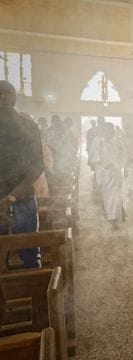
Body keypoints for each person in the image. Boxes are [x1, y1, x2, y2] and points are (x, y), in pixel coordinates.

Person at [0, 81, 44, 268]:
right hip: (22, 196)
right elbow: (37, 165)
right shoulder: (27, 126)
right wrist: (12, 196)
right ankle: (37, 294)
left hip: (16, 197)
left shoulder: (27, 126)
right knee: (29, 254)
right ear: (14, 99)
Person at [94, 123, 127, 230]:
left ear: (113, 131)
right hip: (104, 172)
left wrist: (115, 164)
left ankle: (117, 215)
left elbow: (124, 156)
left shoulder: (118, 142)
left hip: (115, 171)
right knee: (108, 196)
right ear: (104, 130)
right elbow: (93, 156)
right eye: (107, 130)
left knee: (117, 194)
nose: (109, 132)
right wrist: (101, 163)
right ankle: (111, 218)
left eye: (111, 130)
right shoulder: (99, 142)